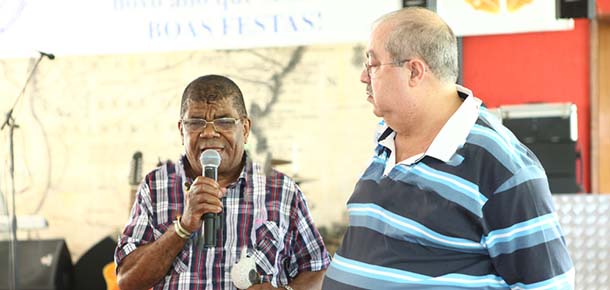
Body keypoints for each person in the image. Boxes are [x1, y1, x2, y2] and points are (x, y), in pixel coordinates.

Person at [322, 7, 574, 290]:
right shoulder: (386, 137)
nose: (364, 77)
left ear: (414, 71)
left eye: (373, 64)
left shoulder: (502, 167)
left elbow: (550, 284)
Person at [115, 75, 331, 290]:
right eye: (196, 122)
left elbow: (319, 271)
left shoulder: (282, 190)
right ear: (182, 130)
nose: (209, 132)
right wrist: (183, 227)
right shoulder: (155, 186)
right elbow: (127, 281)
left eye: (224, 121)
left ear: (245, 129)